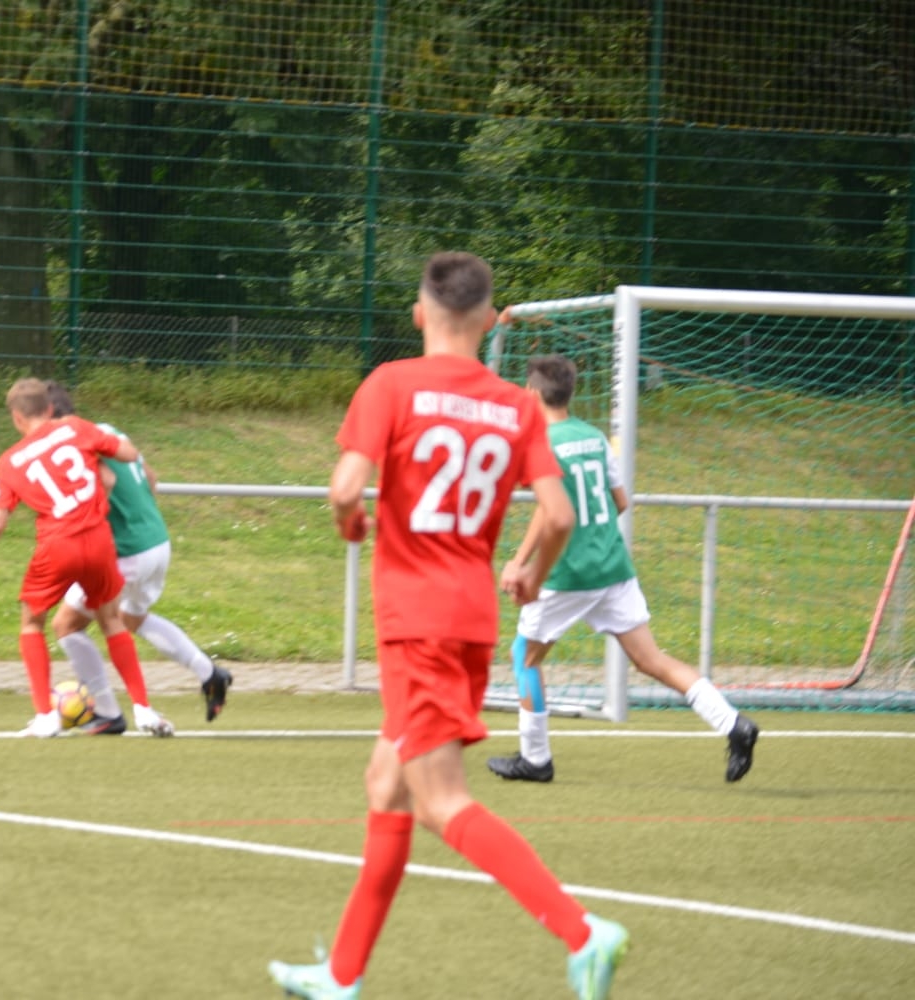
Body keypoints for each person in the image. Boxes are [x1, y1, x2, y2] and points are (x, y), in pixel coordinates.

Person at [268, 253, 629, 1000]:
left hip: (417, 622)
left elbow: (344, 487)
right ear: (492, 321)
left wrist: (349, 520)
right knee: (386, 783)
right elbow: (559, 514)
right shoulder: (518, 406)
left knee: (440, 801)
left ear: (417, 314)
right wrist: (533, 573)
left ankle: (582, 932)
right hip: (470, 617)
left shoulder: (391, 383)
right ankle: (341, 975)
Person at [487, 353, 759, 784]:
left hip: (569, 573)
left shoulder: (540, 443)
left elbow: (552, 509)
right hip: (613, 567)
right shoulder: (595, 438)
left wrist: (520, 562)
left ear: (532, 394)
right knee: (651, 659)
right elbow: (619, 501)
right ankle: (733, 723)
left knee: (525, 656)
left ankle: (535, 759)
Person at [0, 377, 172, 738]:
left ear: (16, 417)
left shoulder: (10, 461)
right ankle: (144, 710)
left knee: (32, 622)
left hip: (58, 544)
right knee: (112, 621)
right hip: (100, 540)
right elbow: (127, 455)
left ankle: (45, 716)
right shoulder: (75, 427)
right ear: (48, 409)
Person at [45, 382, 233, 734]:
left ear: (48, 416)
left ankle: (107, 712)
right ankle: (210, 674)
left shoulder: (70, 443)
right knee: (131, 618)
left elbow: (105, 481)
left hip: (126, 550)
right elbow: (150, 477)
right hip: (155, 540)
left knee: (66, 625)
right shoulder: (108, 430)